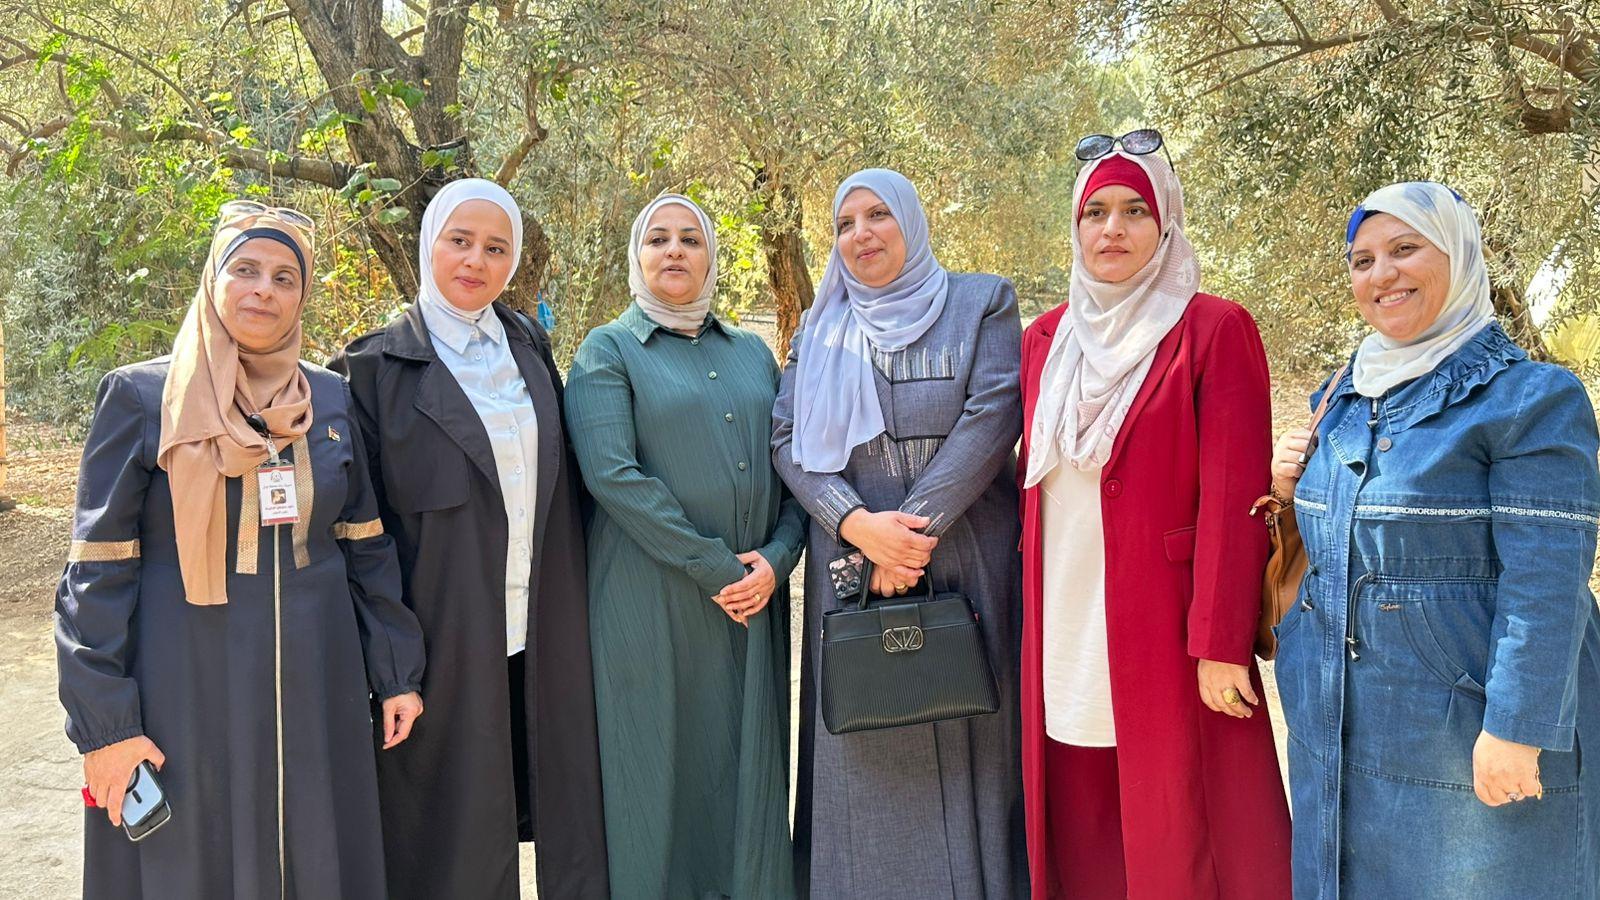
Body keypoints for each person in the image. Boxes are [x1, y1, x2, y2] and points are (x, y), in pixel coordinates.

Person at [55, 201, 426, 899]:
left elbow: (364, 545)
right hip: (186, 686)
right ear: (213, 279)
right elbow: (97, 569)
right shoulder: (142, 397)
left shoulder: (329, 399)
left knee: (313, 855)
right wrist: (107, 725)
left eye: (286, 277)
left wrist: (396, 671)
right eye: (246, 269)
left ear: (302, 296)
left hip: (316, 684)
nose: (264, 290)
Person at [1270, 180, 1600, 898]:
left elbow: (1548, 581)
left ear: (1459, 254)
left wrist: (1517, 727)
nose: (1381, 274)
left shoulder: (1532, 400)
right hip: (1336, 731)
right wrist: (1290, 485)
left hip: (1466, 743)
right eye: (1362, 260)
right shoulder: (1342, 396)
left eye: (1404, 249)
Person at [1017, 133, 1291, 898]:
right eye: (1095, 212)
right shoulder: (1044, 340)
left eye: (1135, 210)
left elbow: (1234, 500)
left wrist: (1220, 644)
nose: (1113, 228)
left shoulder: (1213, 329)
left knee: (1181, 825)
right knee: (1082, 818)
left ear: (1165, 222)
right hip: (1064, 615)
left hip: (1168, 626)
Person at [331, 179, 608, 899]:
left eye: (495, 248)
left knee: (566, 822)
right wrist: (393, 666)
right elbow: (361, 539)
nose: (476, 261)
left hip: (542, 631)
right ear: (429, 244)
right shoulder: (370, 370)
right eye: (460, 241)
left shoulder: (528, 344)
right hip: (441, 640)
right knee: (451, 843)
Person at [773, 168, 1027, 899]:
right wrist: (858, 527)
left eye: (878, 214)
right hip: (853, 576)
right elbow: (786, 438)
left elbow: (992, 416)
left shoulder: (982, 303)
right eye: (844, 223)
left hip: (965, 564)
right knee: (866, 746)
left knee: (973, 733)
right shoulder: (818, 330)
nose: (861, 233)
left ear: (911, 222)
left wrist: (909, 538)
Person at [565, 193, 803, 899]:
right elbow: (612, 475)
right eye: (658, 239)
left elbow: (793, 465)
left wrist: (777, 560)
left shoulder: (752, 353)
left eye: (690, 239)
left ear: (711, 258)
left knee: (747, 770)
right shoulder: (607, 351)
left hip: (752, 599)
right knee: (657, 773)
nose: (674, 250)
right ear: (637, 256)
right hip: (653, 601)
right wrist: (718, 569)